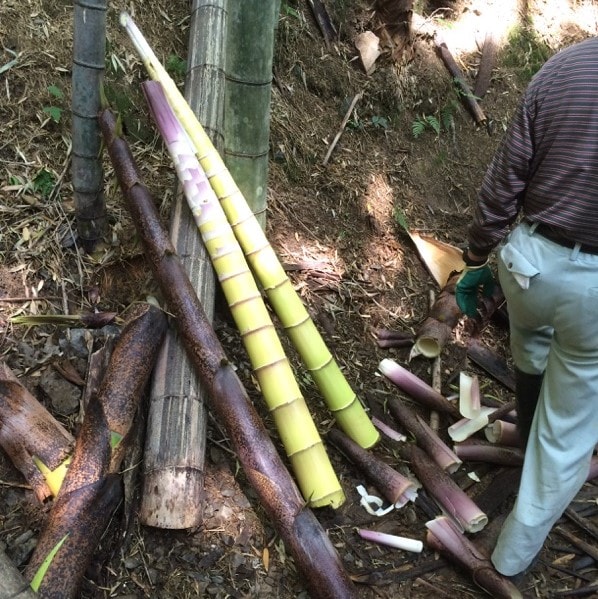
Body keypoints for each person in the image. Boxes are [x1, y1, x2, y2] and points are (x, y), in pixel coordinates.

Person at [455, 36, 598, 580]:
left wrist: (475, 254)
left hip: (530, 264)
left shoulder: (562, 69)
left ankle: (529, 422)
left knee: (532, 343)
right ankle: (509, 558)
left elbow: (506, 177)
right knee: (567, 434)